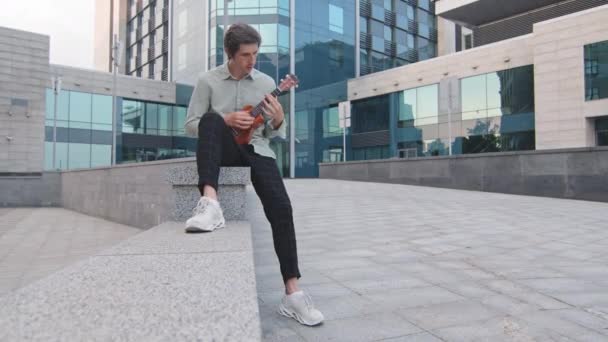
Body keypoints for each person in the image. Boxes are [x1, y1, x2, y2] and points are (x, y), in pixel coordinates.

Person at [183, 23, 324, 327]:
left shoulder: (266, 82)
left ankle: (292, 293)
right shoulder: (207, 81)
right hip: (223, 149)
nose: (252, 61)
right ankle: (210, 204)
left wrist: (279, 119)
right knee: (209, 118)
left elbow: (275, 132)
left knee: (282, 208)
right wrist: (225, 118)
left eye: (255, 54)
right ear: (230, 54)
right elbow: (192, 124)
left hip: (257, 148)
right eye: (245, 55)